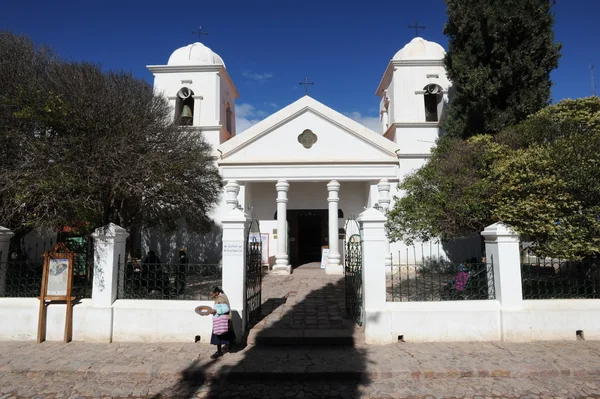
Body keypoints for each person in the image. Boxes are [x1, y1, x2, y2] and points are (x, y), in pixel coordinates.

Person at [209, 286, 235, 359]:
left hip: (220, 320)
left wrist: (215, 311)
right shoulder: (222, 296)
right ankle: (229, 346)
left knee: (218, 335)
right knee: (227, 333)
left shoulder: (220, 298)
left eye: (212, 294)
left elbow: (225, 309)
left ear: (216, 292)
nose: (212, 296)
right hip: (226, 319)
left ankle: (219, 352)